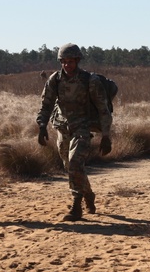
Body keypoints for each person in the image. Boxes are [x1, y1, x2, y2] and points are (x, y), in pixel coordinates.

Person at [36, 43, 112, 222]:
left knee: (76, 163)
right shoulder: (55, 79)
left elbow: (103, 109)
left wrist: (106, 136)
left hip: (82, 128)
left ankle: (76, 205)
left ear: (77, 61)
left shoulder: (89, 80)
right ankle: (88, 194)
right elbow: (46, 105)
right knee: (71, 168)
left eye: (71, 61)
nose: (67, 65)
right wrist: (41, 126)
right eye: (64, 61)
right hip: (63, 128)